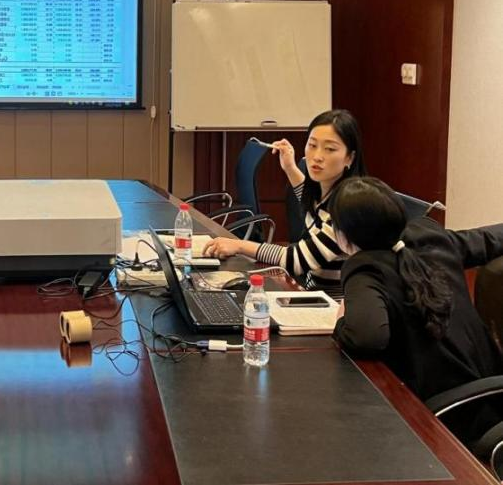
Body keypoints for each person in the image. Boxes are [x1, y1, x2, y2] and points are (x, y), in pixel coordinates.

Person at [330, 176, 503, 444]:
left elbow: (367, 337)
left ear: (343, 236)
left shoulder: (365, 268)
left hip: (448, 419)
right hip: (491, 393)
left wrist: (341, 321)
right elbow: (490, 238)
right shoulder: (429, 234)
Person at [202, 109, 366, 289]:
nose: (317, 156)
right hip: (313, 292)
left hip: (335, 302)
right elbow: (309, 203)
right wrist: (290, 167)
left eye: (330, 149)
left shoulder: (349, 209)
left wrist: (239, 246)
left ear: (350, 157)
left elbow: (298, 259)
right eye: (312, 145)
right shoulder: (327, 194)